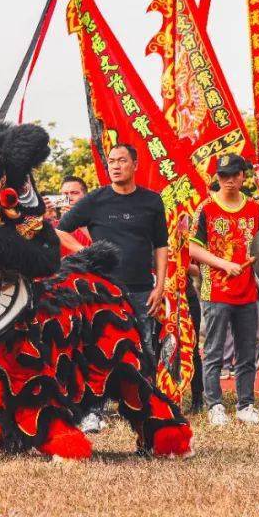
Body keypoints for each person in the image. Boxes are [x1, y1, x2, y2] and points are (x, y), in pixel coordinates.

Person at [55, 144, 168, 362]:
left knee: (145, 351)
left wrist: (160, 286)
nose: (115, 166)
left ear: (135, 164)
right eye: (111, 162)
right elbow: (60, 230)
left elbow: (161, 245)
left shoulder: (152, 201)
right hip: (104, 291)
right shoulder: (95, 200)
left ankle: (142, 396)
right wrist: (88, 252)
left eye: (122, 161)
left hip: (143, 292)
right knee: (104, 352)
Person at [186, 154, 259, 426]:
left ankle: (245, 404)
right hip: (215, 292)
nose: (229, 180)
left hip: (247, 291)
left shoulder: (254, 209)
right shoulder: (206, 209)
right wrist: (224, 264)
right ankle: (215, 405)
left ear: (243, 176)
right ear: (216, 178)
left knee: (246, 351)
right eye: (223, 176)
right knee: (214, 351)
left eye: (234, 174)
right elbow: (193, 248)